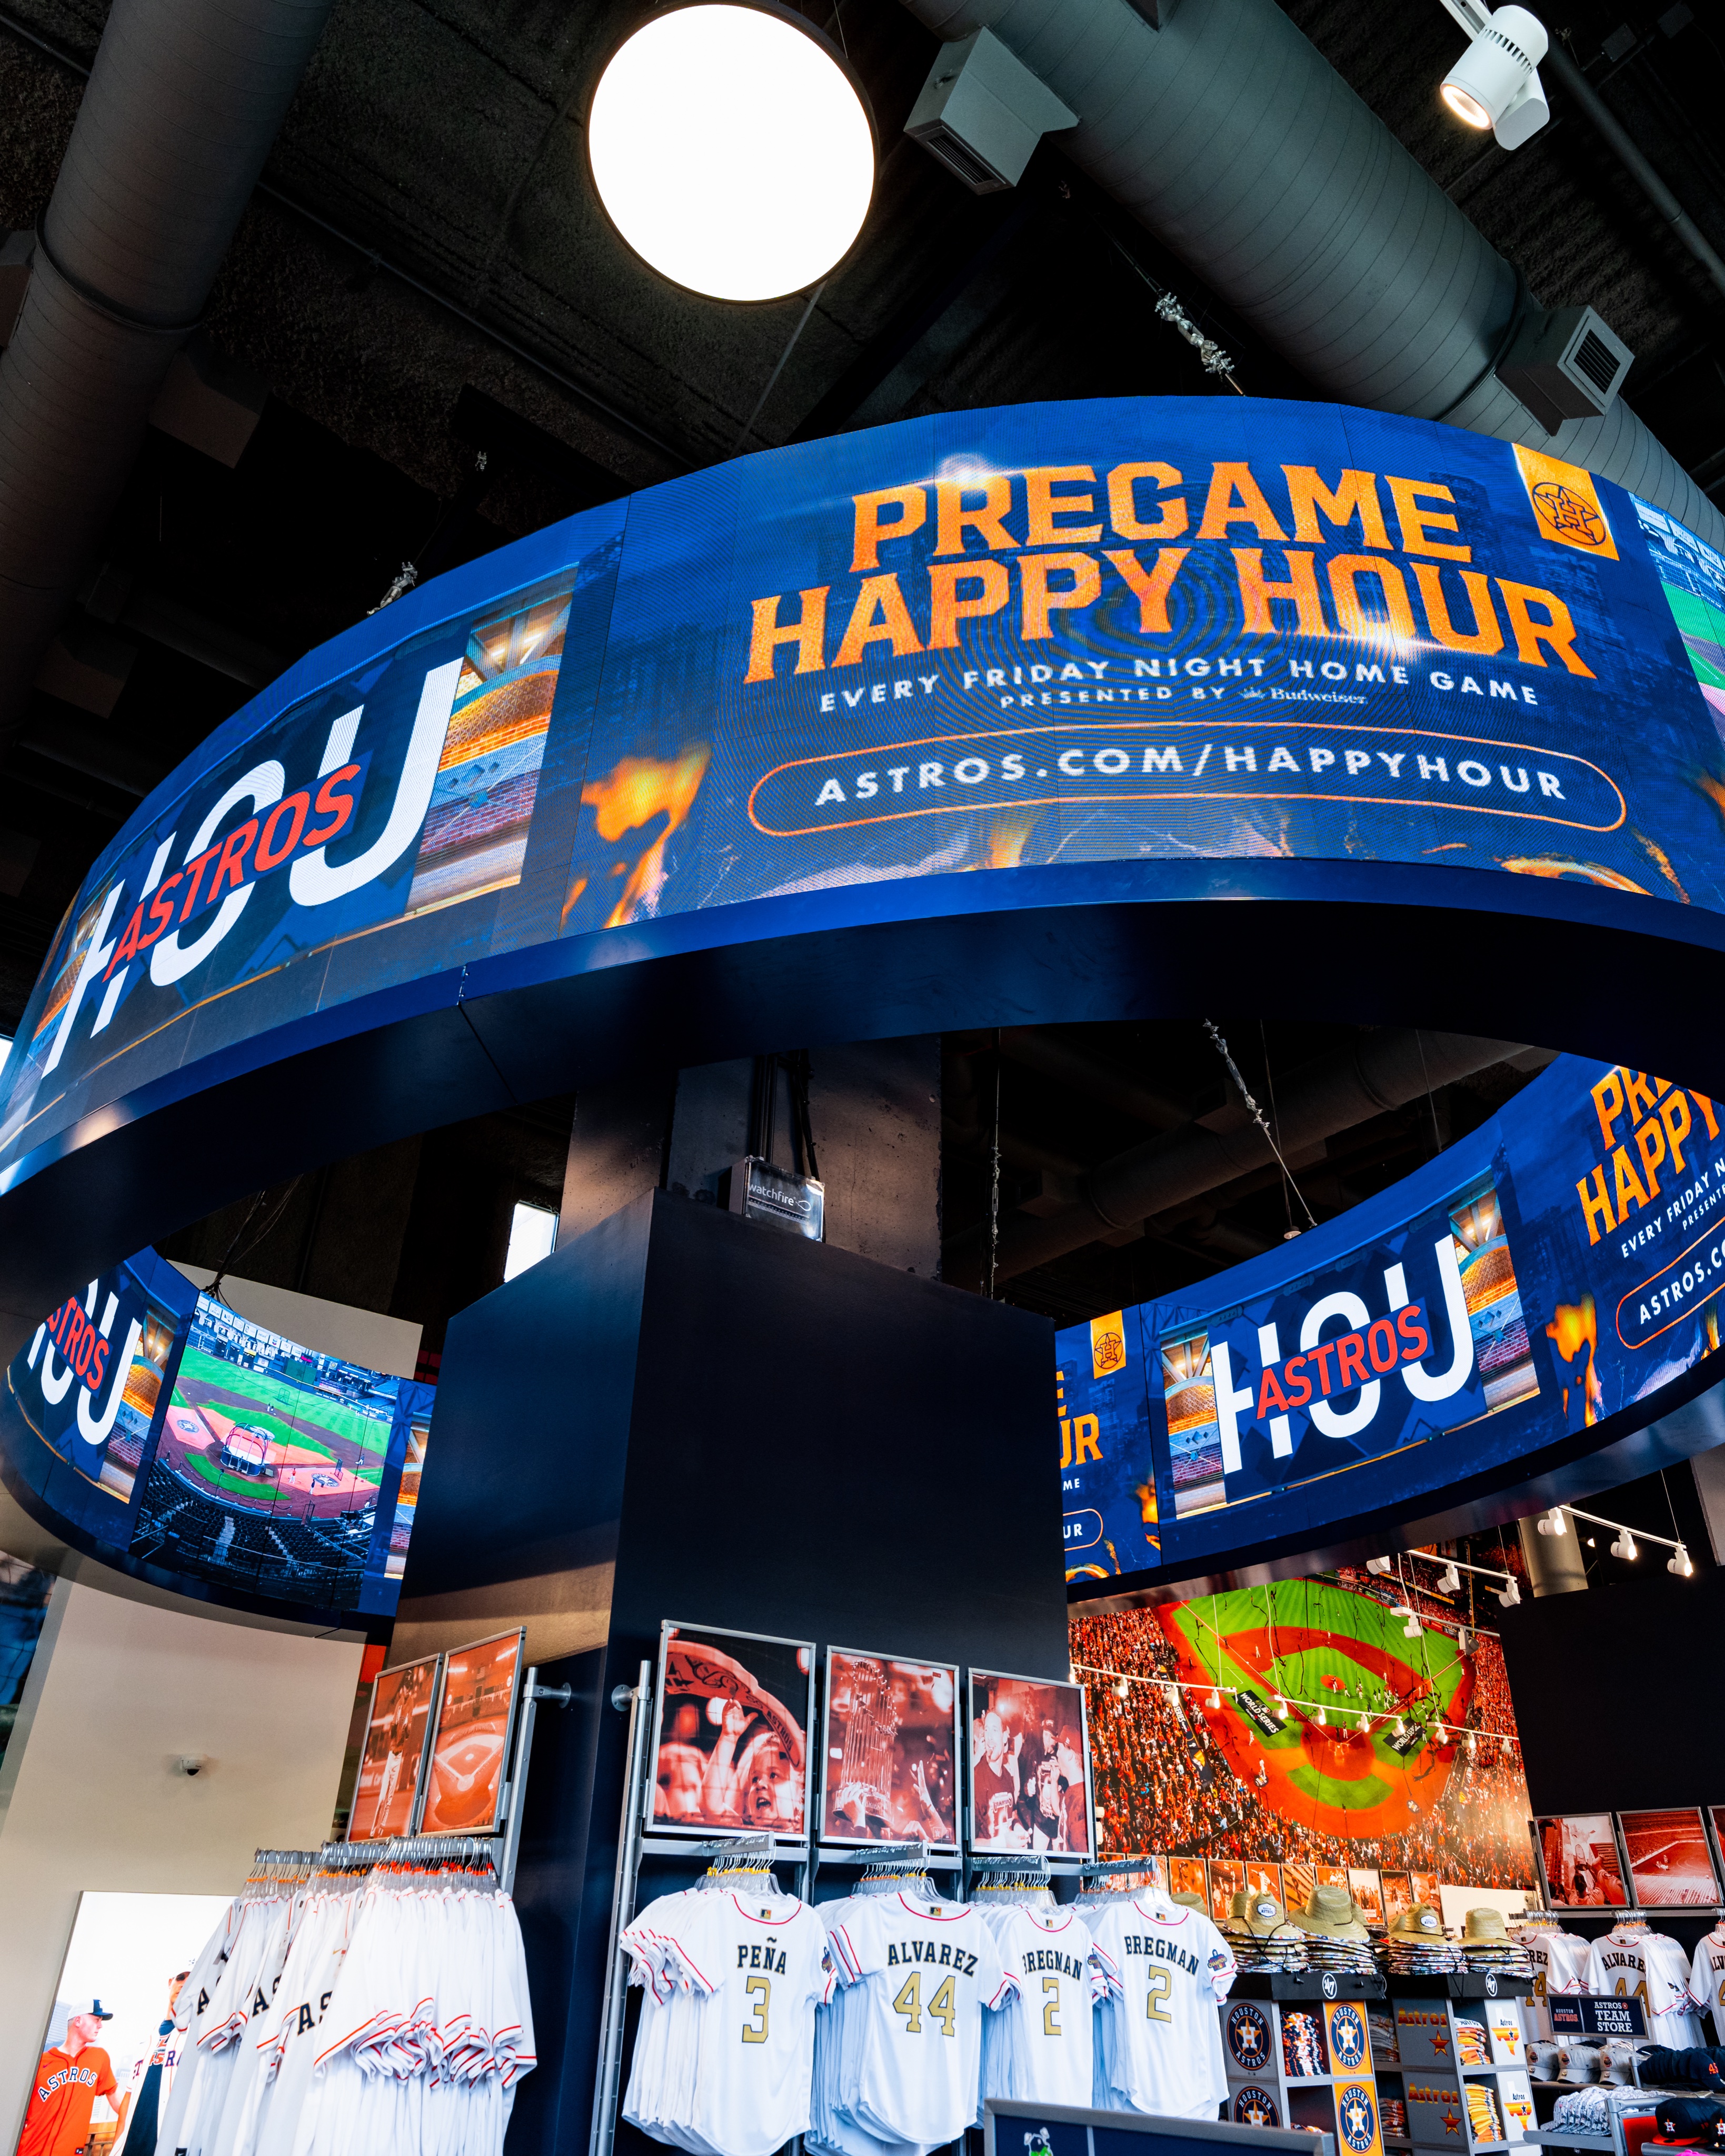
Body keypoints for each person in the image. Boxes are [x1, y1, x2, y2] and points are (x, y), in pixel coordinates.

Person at [18, 2001, 127, 2156]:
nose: (100, 2026)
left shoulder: (99, 2058)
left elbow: (118, 2099)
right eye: (96, 2020)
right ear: (78, 2021)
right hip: (29, 2150)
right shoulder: (41, 2061)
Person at [118, 1973, 187, 2155]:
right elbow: (128, 2098)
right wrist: (117, 2146)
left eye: (192, 1980)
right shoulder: (147, 2039)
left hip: (167, 2147)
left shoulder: (195, 2036)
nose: (184, 1985)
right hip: (131, 2146)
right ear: (170, 1982)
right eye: (180, 1978)